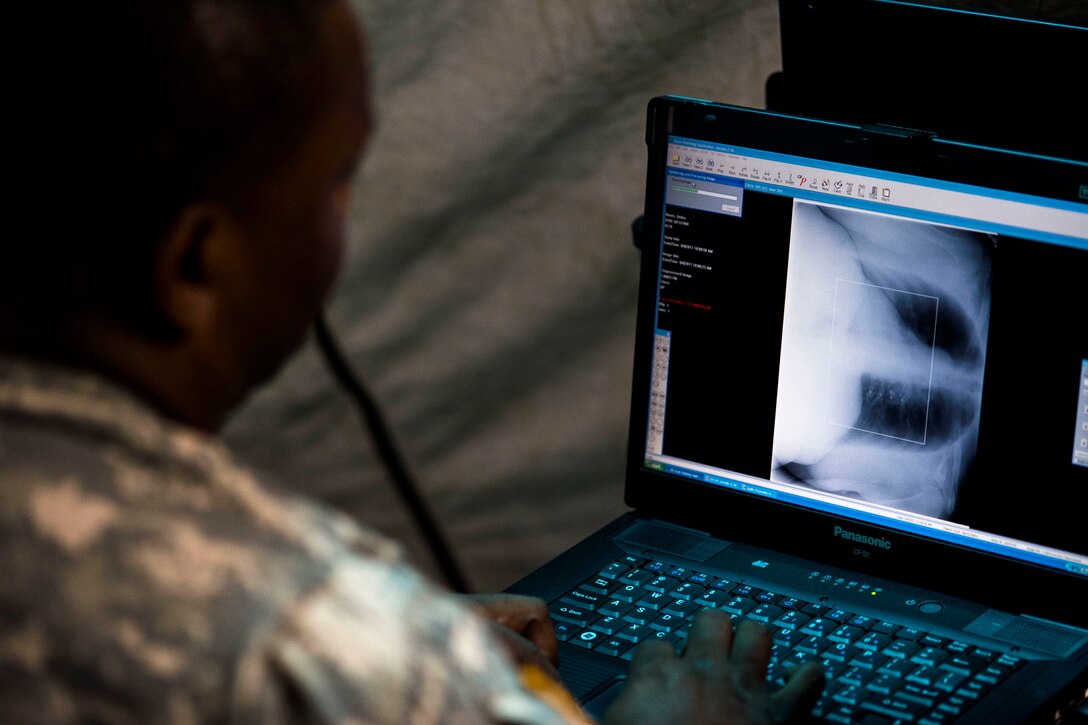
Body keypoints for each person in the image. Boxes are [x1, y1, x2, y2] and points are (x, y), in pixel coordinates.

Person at [0, 1, 824, 722]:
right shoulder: (301, 630)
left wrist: (400, 647)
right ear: (195, 265)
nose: (344, 224)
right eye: (335, 181)